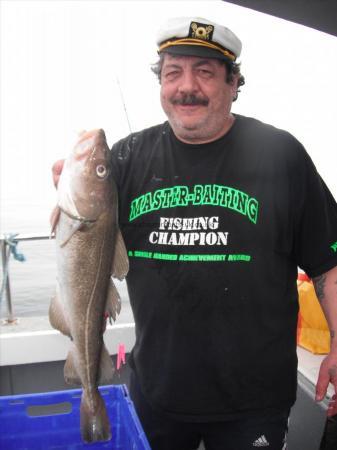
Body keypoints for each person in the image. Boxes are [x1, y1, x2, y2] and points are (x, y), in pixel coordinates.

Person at [52, 16, 337, 450]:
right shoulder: (127, 157)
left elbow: (328, 264)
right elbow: (88, 240)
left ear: (234, 83)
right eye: (172, 73)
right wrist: (66, 187)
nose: (187, 87)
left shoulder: (282, 155)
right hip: (157, 392)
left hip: (253, 399)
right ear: (161, 84)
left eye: (204, 73)